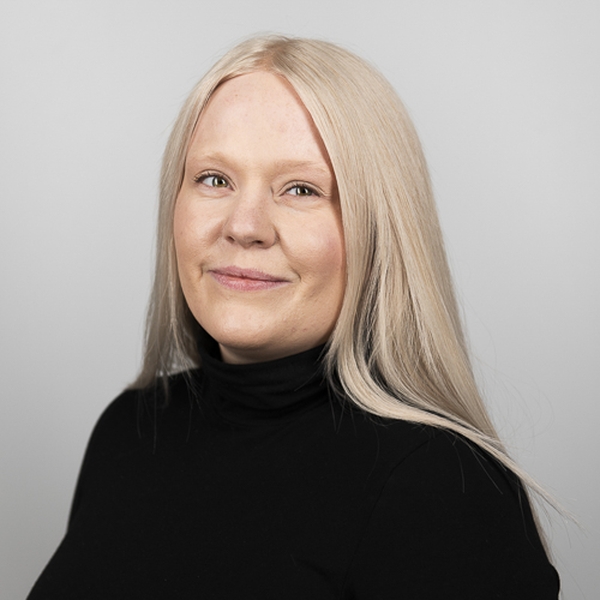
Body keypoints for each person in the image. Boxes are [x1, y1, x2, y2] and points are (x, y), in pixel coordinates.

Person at [28, 35, 560, 599]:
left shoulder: (443, 487)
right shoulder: (132, 429)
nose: (244, 225)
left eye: (301, 189)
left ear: (379, 230)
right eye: (215, 179)